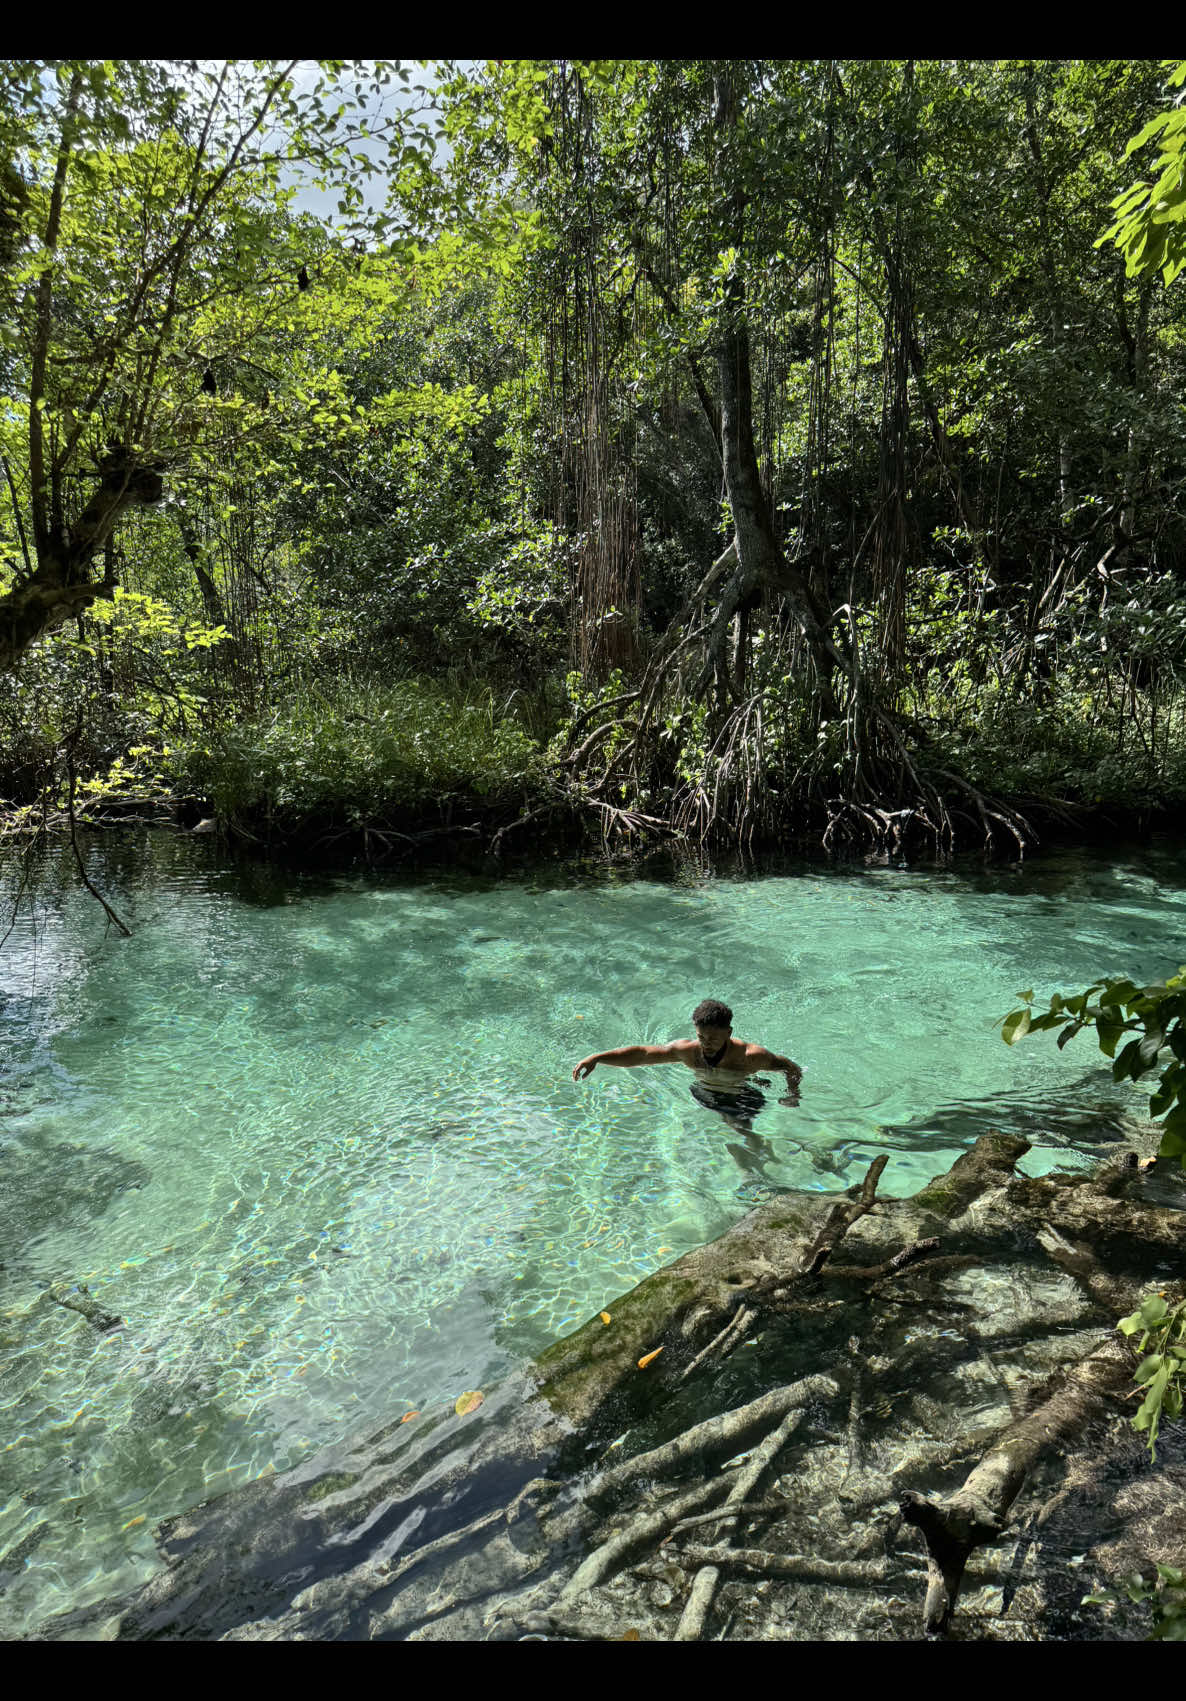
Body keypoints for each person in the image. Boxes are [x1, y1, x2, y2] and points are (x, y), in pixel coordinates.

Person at [572, 998, 802, 1171]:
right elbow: (642, 1054)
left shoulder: (752, 1056)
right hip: (705, 1091)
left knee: (741, 1131)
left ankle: (757, 1170)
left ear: (729, 1032)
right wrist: (598, 1057)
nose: (706, 1044)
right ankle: (760, 1159)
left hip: (741, 1094)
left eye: (713, 1038)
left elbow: (792, 1068)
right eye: (701, 1037)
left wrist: (793, 1094)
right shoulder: (687, 1051)